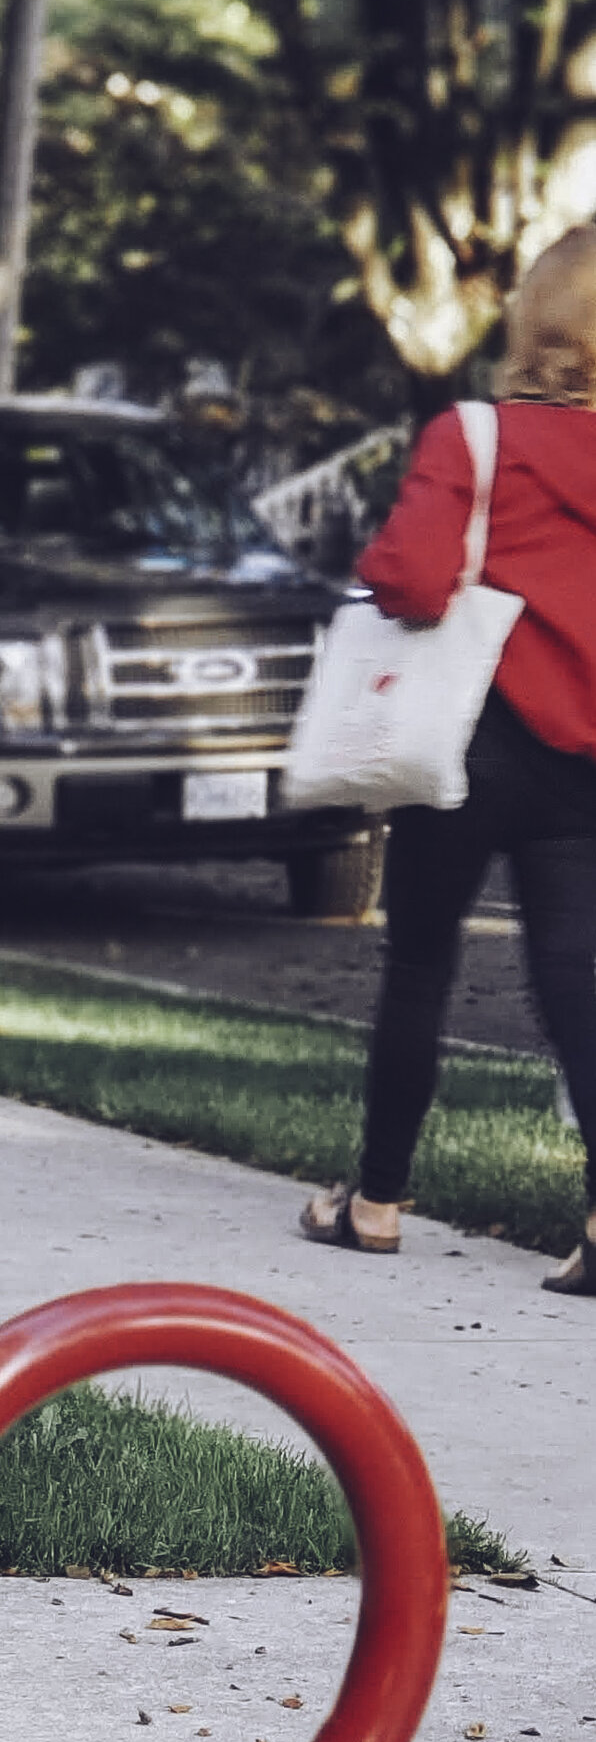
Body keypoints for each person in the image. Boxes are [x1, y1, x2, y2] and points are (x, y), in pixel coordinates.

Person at [303, 227, 596, 1293]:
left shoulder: (473, 439)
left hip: (464, 741)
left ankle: (374, 1205)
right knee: (575, 975)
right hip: (583, 758)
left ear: (536, 322)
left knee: (421, 960)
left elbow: (415, 581)